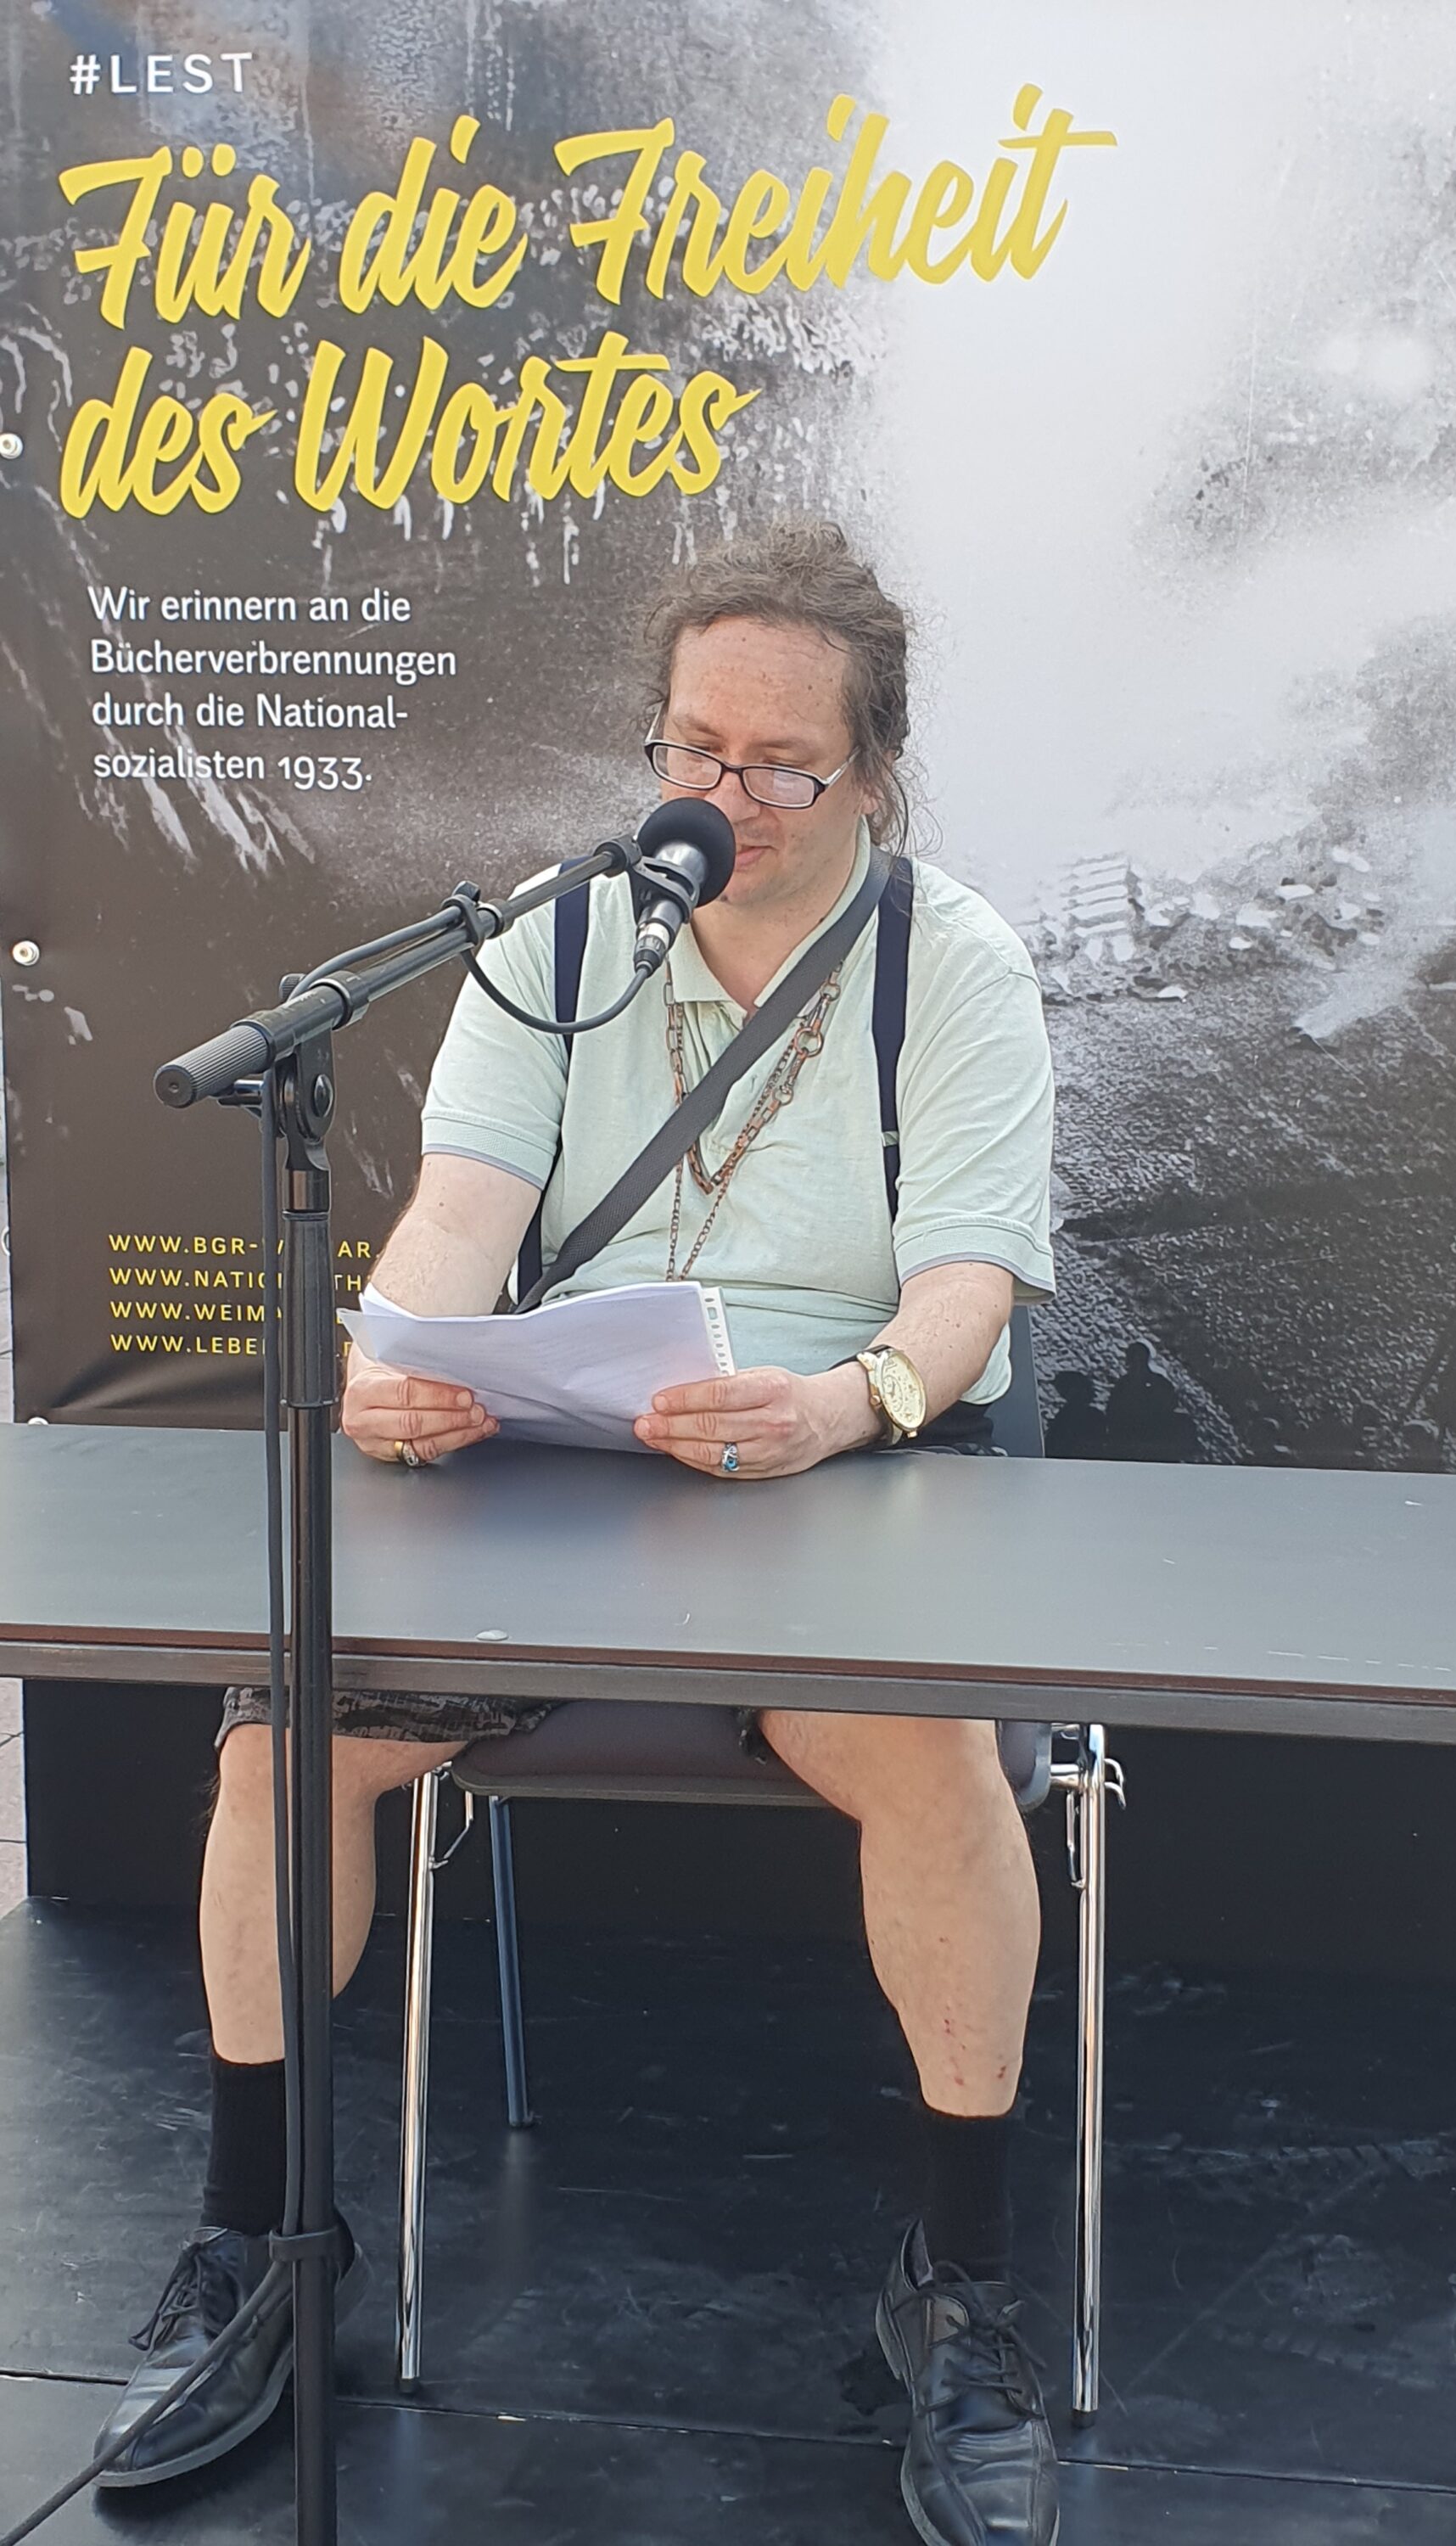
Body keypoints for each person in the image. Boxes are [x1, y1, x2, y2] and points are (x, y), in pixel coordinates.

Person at [99, 519, 1063, 2546]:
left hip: (839, 1472)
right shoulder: (552, 938)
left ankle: (964, 2289)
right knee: (283, 1740)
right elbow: (460, 1210)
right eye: (696, 749)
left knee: (939, 1763)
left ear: (875, 774)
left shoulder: (954, 961)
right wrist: (398, 1360)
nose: (729, 796)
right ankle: (261, 2246)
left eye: (783, 763)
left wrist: (836, 1405)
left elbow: (966, 1293)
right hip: (563, 1470)